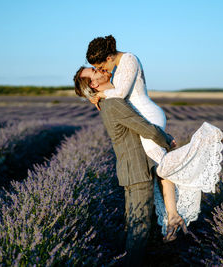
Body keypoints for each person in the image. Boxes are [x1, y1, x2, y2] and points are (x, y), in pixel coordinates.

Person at [82, 35, 223, 239]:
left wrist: (98, 95)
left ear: (109, 57)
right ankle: (173, 215)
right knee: (160, 168)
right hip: (140, 116)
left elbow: (121, 93)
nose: (102, 71)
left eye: (100, 66)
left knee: (164, 164)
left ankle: (208, 137)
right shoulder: (117, 66)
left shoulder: (129, 59)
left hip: (148, 116)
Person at [74, 69, 175, 265]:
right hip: (137, 170)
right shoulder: (113, 103)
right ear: (94, 84)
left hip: (131, 170)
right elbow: (145, 128)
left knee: (133, 226)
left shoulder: (108, 101)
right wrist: (168, 141)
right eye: (94, 71)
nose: (99, 69)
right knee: (139, 230)